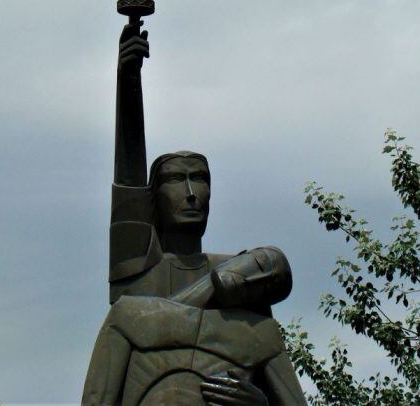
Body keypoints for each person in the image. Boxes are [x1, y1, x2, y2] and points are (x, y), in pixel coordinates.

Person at [82, 21, 306, 405]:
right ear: (154, 199)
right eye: (175, 180)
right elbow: (130, 189)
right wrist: (128, 80)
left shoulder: (248, 304)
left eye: (200, 180)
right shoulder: (140, 273)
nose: (190, 194)